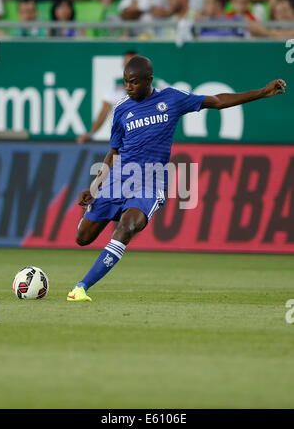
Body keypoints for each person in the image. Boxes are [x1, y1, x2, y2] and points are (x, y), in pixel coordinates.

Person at [67, 55, 286, 301]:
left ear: (148, 80)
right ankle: (118, 211)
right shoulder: (121, 110)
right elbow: (113, 152)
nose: (128, 87)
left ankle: (81, 288)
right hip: (118, 181)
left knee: (126, 228)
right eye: (126, 82)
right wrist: (95, 187)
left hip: (150, 184)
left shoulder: (171, 99)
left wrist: (261, 92)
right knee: (82, 238)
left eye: (133, 82)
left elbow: (217, 101)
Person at [77, 50, 138, 144]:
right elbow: (105, 110)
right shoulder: (115, 85)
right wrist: (91, 133)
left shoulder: (153, 85)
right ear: (123, 66)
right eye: (127, 64)